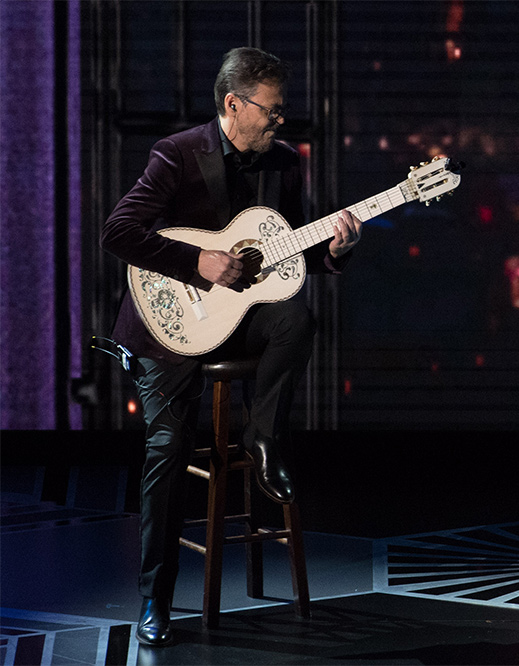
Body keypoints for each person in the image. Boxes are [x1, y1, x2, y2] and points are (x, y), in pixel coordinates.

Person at [101, 47, 362, 647]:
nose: (280, 122)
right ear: (232, 104)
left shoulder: (285, 165)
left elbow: (292, 254)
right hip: (170, 323)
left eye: (283, 112)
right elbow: (119, 232)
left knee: (296, 319)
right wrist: (199, 261)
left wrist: (334, 252)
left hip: (238, 316)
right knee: (166, 451)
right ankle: (155, 599)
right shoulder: (177, 154)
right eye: (271, 111)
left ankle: (263, 436)